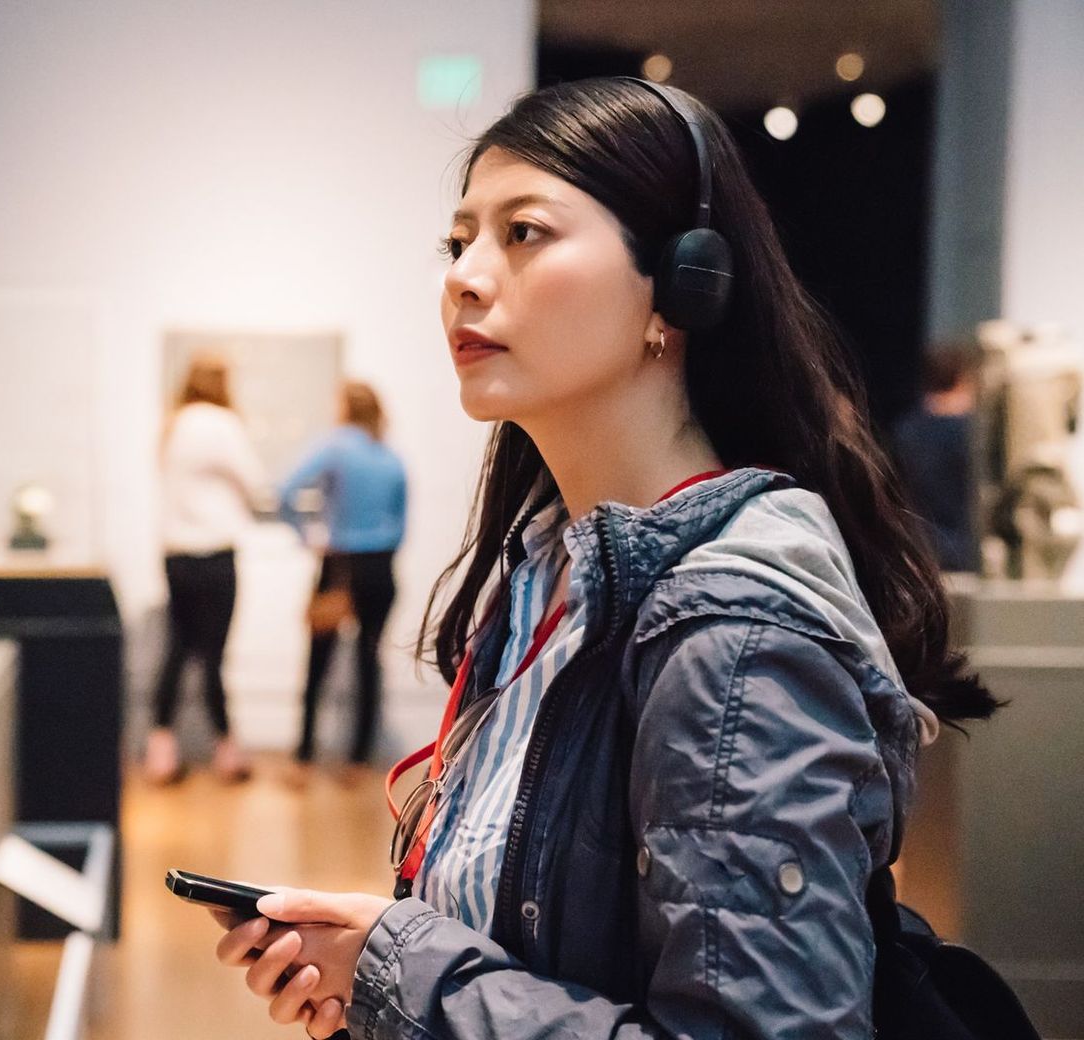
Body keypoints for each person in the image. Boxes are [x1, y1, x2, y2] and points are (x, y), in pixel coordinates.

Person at [207, 77, 998, 1039]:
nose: (464, 276)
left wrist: (404, 976)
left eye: (524, 233)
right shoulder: (549, 565)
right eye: (460, 242)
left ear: (681, 285)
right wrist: (372, 973)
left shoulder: (734, 631)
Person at [145, 354, 266, 785]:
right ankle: (227, 749)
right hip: (215, 553)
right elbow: (254, 481)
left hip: (175, 554)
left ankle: (160, 748)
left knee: (177, 648)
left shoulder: (172, 424)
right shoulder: (222, 424)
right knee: (213, 653)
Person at [278, 382, 408, 774]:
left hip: (340, 567)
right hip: (381, 566)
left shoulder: (334, 446)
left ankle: (304, 755)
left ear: (346, 408)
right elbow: (401, 523)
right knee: (369, 659)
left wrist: (307, 533)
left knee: (318, 659)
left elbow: (285, 491)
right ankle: (358, 758)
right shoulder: (391, 457)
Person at [889, 343, 982, 572]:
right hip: (965, 548)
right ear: (962, 378)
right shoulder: (970, 433)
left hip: (917, 545)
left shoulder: (905, 429)